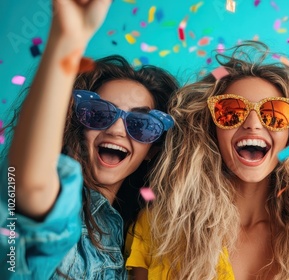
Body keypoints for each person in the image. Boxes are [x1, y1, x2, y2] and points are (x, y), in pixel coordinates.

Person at [126, 41, 289, 279]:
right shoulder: (159, 226)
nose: (253, 124)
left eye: (274, 114)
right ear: (211, 130)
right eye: (230, 112)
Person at [0, 0, 178, 279]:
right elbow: (31, 185)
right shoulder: (61, 203)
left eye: (142, 124)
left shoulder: (137, 236)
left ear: (154, 149)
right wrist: (66, 40)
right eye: (98, 113)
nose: (117, 130)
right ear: (75, 121)